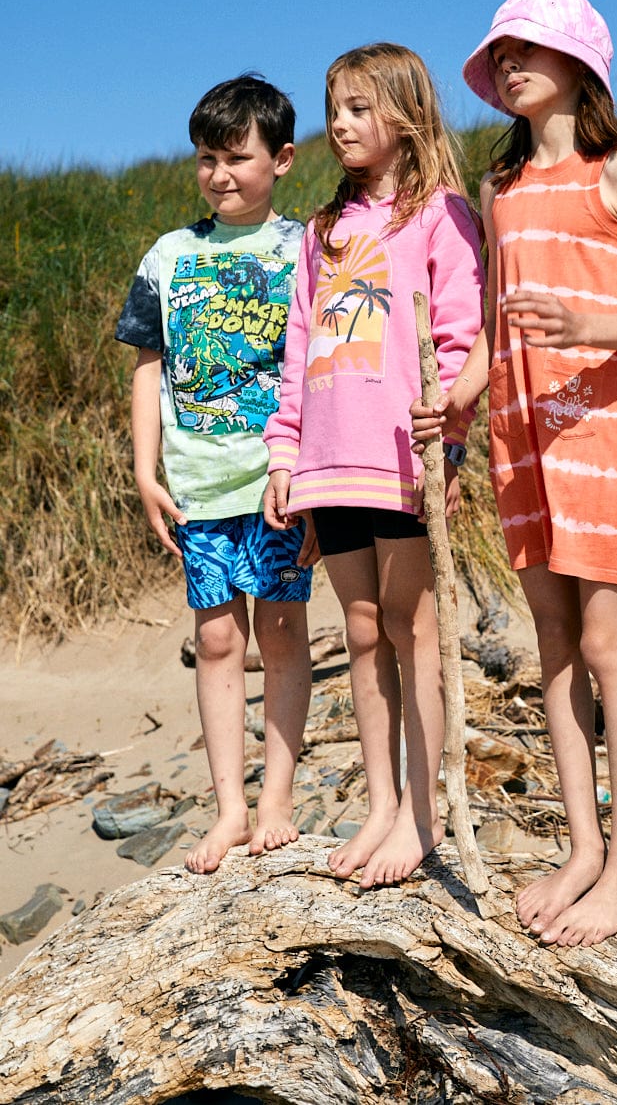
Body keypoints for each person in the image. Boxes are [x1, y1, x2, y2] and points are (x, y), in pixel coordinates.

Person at [411, 0, 617, 945]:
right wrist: (458, 399)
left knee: (610, 642)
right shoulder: (502, 188)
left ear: (577, 65)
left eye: (530, 48)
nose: (512, 63)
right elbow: (489, 330)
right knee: (554, 643)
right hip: (518, 436)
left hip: (600, 431)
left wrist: (586, 324)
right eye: (503, 52)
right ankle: (581, 849)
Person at [263, 43, 484, 890]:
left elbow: (461, 338)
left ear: (406, 115)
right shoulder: (322, 231)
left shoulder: (440, 214)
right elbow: (297, 354)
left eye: (360, 108)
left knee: (412, 627)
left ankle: (423, 816)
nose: (341, 125)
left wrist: (452, 437)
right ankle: (382, 804)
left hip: (402, 457)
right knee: (361, 631)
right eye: (335, 109)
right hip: (330, 458)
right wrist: (285, 455)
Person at [116, 74, 313, 875]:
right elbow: (146, 365)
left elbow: (323, 365)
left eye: (237, 157)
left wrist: (315, 475)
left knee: (282, 630)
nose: (220, 174)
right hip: (197, 484)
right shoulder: (169, 256)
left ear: (283, 159)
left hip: (278, 483)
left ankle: (277, 801)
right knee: (219, 638)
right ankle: (230, 805)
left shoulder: (306, 249)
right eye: (207, 158)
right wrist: (144, 466)